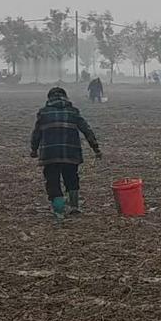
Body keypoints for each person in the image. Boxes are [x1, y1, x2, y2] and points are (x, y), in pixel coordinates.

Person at [30, 86, 101, 220]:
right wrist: (95, 148)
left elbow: (36, 134)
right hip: (71, 153)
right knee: (71, 178)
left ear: (49, 98)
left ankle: (59, 211)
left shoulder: (43, 113)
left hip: (50, 154)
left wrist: (34, 149)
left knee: (52, 181)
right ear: (65, 97)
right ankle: (74, 206)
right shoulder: (73, 111)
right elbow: (87, 130)